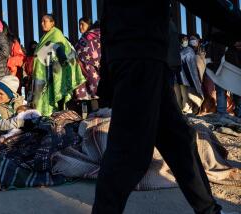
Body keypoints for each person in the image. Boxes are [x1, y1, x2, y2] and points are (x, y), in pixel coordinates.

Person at [92, 1, 241, 214]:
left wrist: (108, 73)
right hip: (141, 56)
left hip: (141, 57)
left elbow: (107, 16)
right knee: (129, 152)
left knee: (178, 141)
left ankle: (209, 210)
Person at [32, 14, 85, 116]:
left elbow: (61, 51)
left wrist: (61, 62)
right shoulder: (45, 37)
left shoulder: (56, 34)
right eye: (41, 21)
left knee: (57, 100)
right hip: (44, 73)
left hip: (56, 73)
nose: (42, 23)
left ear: (52, 23)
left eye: (45, 21)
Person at [0, 75, 40, 163]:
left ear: (10, 94)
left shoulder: (20, 101)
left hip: (17, 131)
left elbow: (30, 112)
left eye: (1, 93)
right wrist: (22, 123)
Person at [75, 21, 101, 115]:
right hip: (99, 74)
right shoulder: (103, 35)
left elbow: (75, 54)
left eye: (82, 24)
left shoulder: (85, 38)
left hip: (87, 74)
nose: (80, 26)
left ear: (89, 25)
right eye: (79, 24)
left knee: (92, 102)